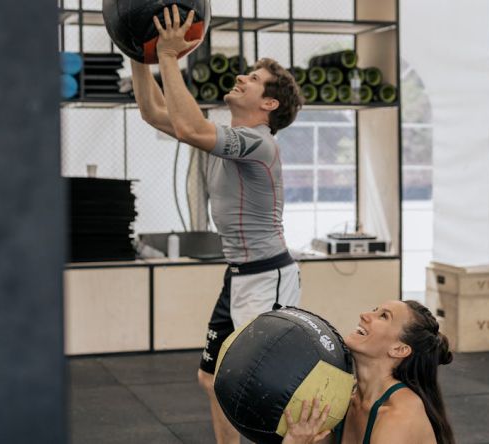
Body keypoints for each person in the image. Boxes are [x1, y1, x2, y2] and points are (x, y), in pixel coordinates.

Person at [130, 6, 304, 444]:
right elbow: (153, 112)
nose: (241, 78)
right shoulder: (227, 139)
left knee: (264, 391)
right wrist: (137, 50)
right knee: (211, 379)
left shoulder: (258, 144)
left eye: (254, 79)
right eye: (245, 73)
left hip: (268, 279)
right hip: (239, 276)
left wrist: (168, 56)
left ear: (269, 104)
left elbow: (188, 127)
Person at [282, 300, 456, 444]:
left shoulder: (398, 419)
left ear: (399, 349)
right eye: (375, 310)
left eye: (383, 316)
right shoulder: (347, 398)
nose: (364, 315)